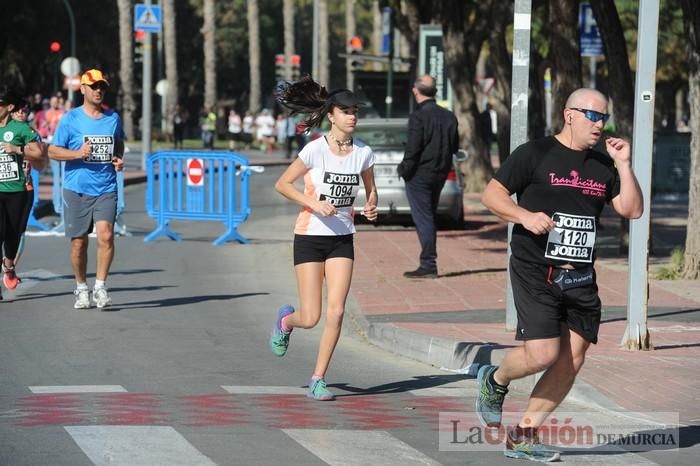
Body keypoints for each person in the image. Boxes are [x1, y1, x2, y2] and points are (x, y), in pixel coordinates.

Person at [478, 88, 643, 462]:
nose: (600, 124)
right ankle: (495, 379)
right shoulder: (535, 153)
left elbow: (632, 211)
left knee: (572, 359)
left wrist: (624, 164)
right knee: (542, 353)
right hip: (536, 267)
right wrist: (525, 216)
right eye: (593, 116)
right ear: (569, 115)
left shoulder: (603, 164)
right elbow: (493, 195)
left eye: (605, 117)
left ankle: (523, 435)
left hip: (580, 274)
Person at [270, 76, 378, 401]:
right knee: (311, 316)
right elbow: (283, 184)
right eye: (346, 111)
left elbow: (370, 191)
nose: (352, 116)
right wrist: (314, 203)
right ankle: (286, 322)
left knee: (337, 312)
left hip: (343, 238)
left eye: (355, 111)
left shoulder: (363, 153)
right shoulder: (315, 150)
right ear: (331, 115)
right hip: (310, 237)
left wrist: (371, 207)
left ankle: (318, 378)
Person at [48, 69, 125, 310]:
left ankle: (100, 287)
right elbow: (52, 151)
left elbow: (118, 144)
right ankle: (82, 288)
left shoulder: (113, 118)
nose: (99, 90)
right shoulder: (70, 120)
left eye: (102, 86)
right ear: (83, 89)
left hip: (106, 187)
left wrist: (118, 159)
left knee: (106, 235)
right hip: (76, 189)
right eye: (94, 86)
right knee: (79, 243)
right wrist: (77, 154)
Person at [397, 74, 459, 278]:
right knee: (428, 216)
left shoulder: (418, 117)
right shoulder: (449, 116)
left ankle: (428, 264)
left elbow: (413, 149)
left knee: (424, 218)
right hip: (440, 172)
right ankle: (428, 262)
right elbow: (455, 146)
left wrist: (404, 169)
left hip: (420, 174)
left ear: (416, 91)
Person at [0, 88, 45, 298]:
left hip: (18, 190)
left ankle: (9, 265)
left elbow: (40, 155)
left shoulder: (21, 129)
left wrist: (17, 150)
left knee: (13, 234)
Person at [9, 100, 48, 281]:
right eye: (18, 109)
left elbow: (41, 165)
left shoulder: (33, 135)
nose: (21, 113)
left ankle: (10, 269)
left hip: (25, 189)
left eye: (25, 110)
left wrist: (20, 151)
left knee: (18, 231)